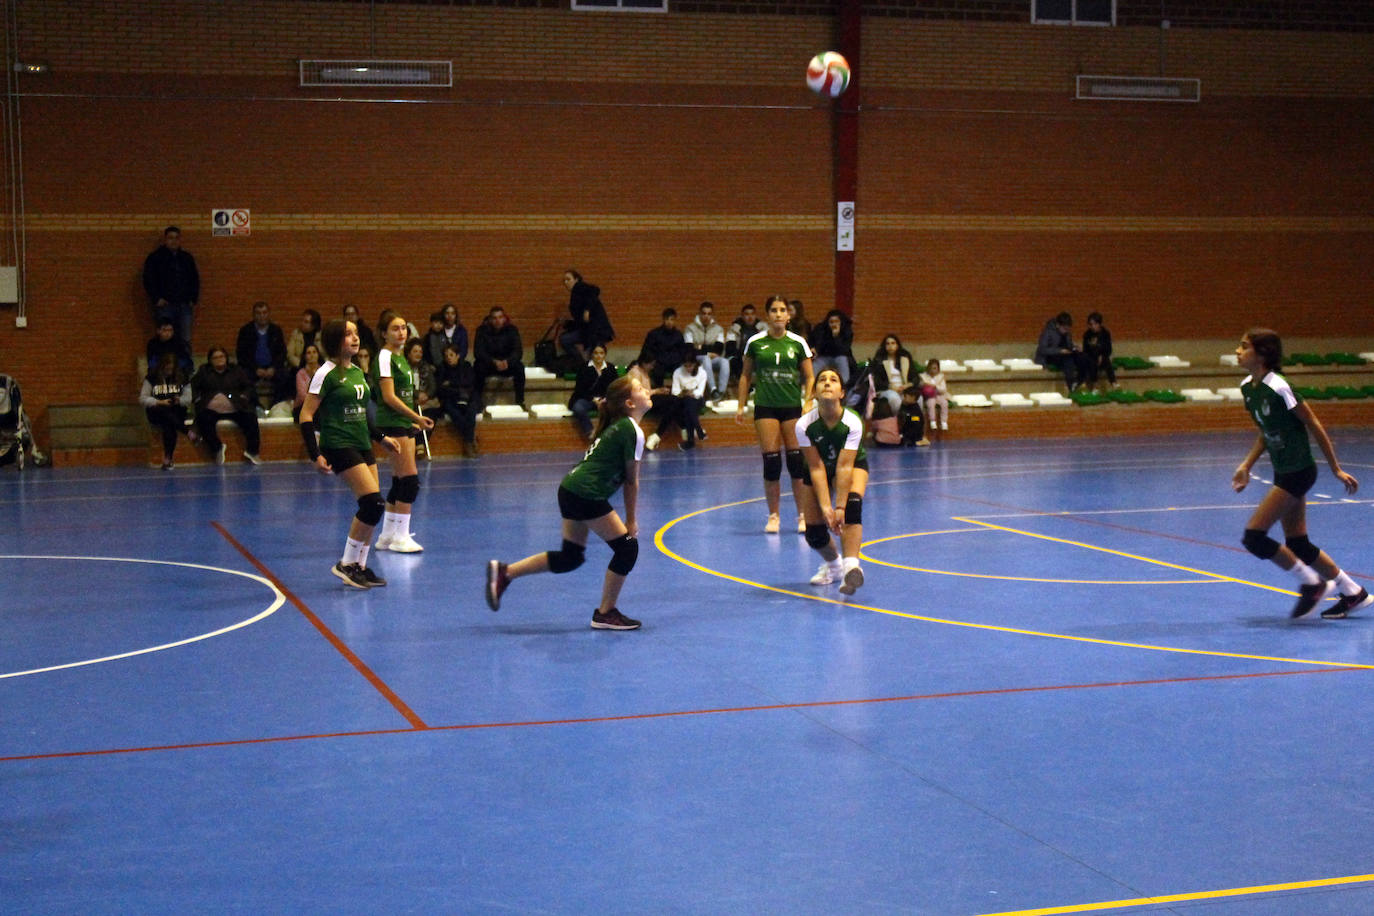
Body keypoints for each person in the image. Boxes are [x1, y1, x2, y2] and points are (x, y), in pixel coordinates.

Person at [485, 374, 651, 631]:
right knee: (627, 548)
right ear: (630, 403)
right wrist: (631, 520)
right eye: (640, 388)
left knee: (570, 557)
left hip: (570, 489)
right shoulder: (631, 429)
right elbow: (632, 481)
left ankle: (505, 573)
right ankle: (605, 613)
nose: (647, 390)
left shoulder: (619, 425)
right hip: (585, 493)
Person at [1231, 328, 1371, 619]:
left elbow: (1314, 424)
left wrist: (1335, 468)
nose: (1237, 351)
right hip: (1284, 471)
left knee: (1254, 536)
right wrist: (1246, 465)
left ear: (1262, 353)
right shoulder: (1248, 388)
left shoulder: (1280, 386)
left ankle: (1311, 583)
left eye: (1244, 347)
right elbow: (1266, 434)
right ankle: (1354, 593)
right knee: (1298, 544)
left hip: (1299, 471)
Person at [299, 318, 400, 589]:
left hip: (362, 443)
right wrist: (315, 453)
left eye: (356, 333)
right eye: (348, 335)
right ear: (334, 341)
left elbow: (363, 414)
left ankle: (360, 566)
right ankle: (346, 563)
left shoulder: (356, 372)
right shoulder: (326, 373)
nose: (355, 338)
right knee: (373, 503)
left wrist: (381, 438)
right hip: (339, 444)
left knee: (373, 508)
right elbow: (306, 414)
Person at [735, 294, 815, 534]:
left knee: (795, 463)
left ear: (788, 315)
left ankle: (803, 515)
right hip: (765, 406)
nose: (778, 314)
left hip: (791, 407)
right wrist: (741, 405)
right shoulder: (756, 342)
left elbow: (810, 376)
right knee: (771, 462)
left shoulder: (798, 342)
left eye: (782, 310)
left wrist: (809, 401)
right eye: (774, 310)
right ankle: (774, 516)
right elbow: (745, 376)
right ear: (767, 315)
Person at [796, 367, 869, 595]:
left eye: (833, 380)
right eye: (822, 380)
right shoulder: (804, 425)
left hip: (851, 465)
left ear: (842, 393)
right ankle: (835, 566)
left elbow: (845, 466)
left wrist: (840, 506)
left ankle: (850, 568)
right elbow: (816, 467)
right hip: (819, 469)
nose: (827, 383)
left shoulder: (852, 422)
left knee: (852, 506)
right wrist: (827, 507)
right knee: (815, 533)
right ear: (814, 392)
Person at [372, 313, 436, 553]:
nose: (401, 332)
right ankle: (400, 537)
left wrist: (413, 420)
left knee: (400, 480)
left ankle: (387, 535)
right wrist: (415, 416)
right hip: (392, 422)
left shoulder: (401, 358)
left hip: (403, 422)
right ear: (384, 333)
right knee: (410, 480)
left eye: (403, 328)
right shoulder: (385, 356)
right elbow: (388, 396)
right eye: (395, 329)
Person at [190, 345, 261, 465]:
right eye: (215, 357)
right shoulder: (203, 371)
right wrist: (197, 399)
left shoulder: (236, 370)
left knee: (251, 419)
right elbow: (193, 387)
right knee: (203, 421)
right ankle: (217, 448)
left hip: (235, 407)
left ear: (226, 357)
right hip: (211, 409)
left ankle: (252, 451)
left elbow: (248, 386)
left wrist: (244, 396)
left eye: (221, 356)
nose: (219, 359)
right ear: (210, 360)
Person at [142, 226, 199, 348]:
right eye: (170, 238)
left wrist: (193, 298)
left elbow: (195, 279)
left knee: (185, 338)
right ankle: (166, 365)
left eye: (176, 238)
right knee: (165, 338)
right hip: (165, 305)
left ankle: (185, 366)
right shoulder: (155, 258)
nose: (174, 241)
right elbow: (148, 279)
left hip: (184, 305)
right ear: (165, 240)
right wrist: (156, 298)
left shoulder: (186, 258)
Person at [139, 351, 194, 470]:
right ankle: (187, 432)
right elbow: (143, 398)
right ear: (161, 366)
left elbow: (188, 398)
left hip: (176, 411)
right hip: (157, 411)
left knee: (169, 424)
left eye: (171, 369)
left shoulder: (182, 378)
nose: (169, 371)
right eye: (167, 369)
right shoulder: (151, 378)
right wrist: (159, 402)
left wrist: (179, 400)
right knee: (164, 413)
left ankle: (168, 459)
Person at [235, 300, 291, 410]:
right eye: (258, 313)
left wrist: (273, 368)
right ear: (254, 315)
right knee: (243, 377)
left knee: (285, 376)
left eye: (264, 313)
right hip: (252, 368)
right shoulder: (246, 331)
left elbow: (282, 352)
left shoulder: (276, 330)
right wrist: (255, 369)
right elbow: (241, 354)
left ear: (268, 314)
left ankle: (276, 405)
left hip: (272, 367)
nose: (262, 316)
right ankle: (256, 406)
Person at [473, 306, 526, 407]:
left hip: (507, 364)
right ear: (490, 320)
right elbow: (478, 352)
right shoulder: (482, 331)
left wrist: (508, 362)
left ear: (504, 318)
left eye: (500, 317)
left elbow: (518, 351)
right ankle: (477, 401)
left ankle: (520, 401)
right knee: (478, 367)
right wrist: (493, 361)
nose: (497, 321)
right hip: (490, 364)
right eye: (494, 318)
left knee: (519, 367)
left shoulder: (512, 330)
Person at [560, 270, 614, 364]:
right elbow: (580, 321)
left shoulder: (579, 287)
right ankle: (583, 364)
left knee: (566, 340)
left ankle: (582, 363)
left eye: (568, 279)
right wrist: (567, 323)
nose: (566, 283)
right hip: (588, 331)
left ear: (576, 279)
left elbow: (595, 290)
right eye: (564, 280)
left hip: (595, 331)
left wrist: (587, 310)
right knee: (566, 339)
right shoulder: (575, 295)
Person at [436, 343, 480, 457]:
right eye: (446, 356)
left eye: (451, 355)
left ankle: (468, 441)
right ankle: (470, 440)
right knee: (456, 415)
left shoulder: (466, 366)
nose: (449, 358)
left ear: (458, 355)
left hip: (468, 398)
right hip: (450, 399)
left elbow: (470, 383)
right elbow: (440, 389)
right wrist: (457, 389)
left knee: (471, 413)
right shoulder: (442, 369)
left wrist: (451, 383)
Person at [568, 343, 618, 440]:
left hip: (604, 399)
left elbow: (614, 387)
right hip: (586, 398)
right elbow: (579, 389)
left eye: (601, 353)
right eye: (596, 353)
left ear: (605, 354)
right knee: (578, 408)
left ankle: (608, 433)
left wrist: (604, 399)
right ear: (592, 355)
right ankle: (590, 431)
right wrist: (593, 399)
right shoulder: (584, 368)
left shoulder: (610, 368)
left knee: (615, 409)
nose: (599, 356)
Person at [683, 301, 729, 401]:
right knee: (706, 358)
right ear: (699, 314)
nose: (706, 316)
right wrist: (707, 351)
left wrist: (700, 347)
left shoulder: (718, 329)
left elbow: (719, 349)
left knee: (725, 361)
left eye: (709, 314)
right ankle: (713, 389)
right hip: (696, 359)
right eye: (704, 313)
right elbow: (689, 349)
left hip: (712, 359)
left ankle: (721, 392)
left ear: (712, 315)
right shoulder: (690, 328)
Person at [628, 353, 673, 450]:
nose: (652, 367)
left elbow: (647, 390)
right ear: (644, 363)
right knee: (673, 402)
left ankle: (657, 435)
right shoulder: (635, 372)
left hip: (647, 398)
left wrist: (658, 391)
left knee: (673, 404)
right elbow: (637, 391)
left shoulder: (644, 372)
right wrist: (657, 391)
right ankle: (659, 434)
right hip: (640, 402)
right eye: (651, 364)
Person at [1034, 311, 1086, 392]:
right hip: (1051, 357)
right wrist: (1059, 351)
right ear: (1058, 325)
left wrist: (1075, 347)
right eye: (1064, 329)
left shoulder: (1067, 334)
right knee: (1068, 361)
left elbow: (1069, 345)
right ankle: (1071, 385)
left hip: (1064, 354)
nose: (1066, 331)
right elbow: (1042, 349)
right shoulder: (1048, 332)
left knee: (1081, 357)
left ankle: (1080, 381)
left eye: (1068, 329)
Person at [670, 345, 709, 450]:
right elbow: (675, 391)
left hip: (697, 400)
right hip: (682, 399)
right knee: (687, 405)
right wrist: (685, 392)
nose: (688, 368)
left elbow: (700, 391)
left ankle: (691, 441)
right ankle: (699, 431)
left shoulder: (702, 373)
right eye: (686, 366)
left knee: (689, 405)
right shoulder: (678, 372)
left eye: (690, 366)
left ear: (695, 363)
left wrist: (691, 393)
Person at [640, 307, 688, 388]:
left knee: (680, 370)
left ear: (675, 320)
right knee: (657, 371)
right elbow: (647, 349)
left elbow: (682, 351)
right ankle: (658, 391)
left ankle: (677, 391)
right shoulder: (654, 334)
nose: (669, 322)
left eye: (672, 319)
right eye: (667, 319)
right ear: (663, 320)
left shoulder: (678, 335)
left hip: (674, 362)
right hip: (659, 362)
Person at [809, 309, 854, 387]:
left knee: (845, 377)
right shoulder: (821, 330)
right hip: (823, 356)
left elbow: (844, 349)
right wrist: (814, 349)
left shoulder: (846, 331)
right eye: (831, 322)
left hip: (840, 356)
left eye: (836, 322)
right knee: (813, 373)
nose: (834, 324)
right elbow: (817, 344)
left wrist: (836, 337)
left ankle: (842, 388)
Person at [726, 303, 767, 381]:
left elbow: (767, 345)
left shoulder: (763, 328)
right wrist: (743, 355)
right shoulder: (734, 329)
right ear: (742, 316)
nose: (750, 317)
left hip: (757, 355)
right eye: (747, 314)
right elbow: (730, 348)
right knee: (734, 361)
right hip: (740, 357)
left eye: (752, 314)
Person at [1081, 311, 1117, 391]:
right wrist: (1094, 356)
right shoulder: (1087, 335)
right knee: (1091, 362)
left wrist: (1102, 355)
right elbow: (1085, 350)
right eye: (1091, 324)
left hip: (1102, 358)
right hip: (1091, 358)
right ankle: (1094, 385)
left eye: (1095, 324)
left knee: (1106, 361)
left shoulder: (1105, 334)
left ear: (1099, 324)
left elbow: (1108, 349)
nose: (1093, 326)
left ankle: (1113, 382)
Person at [293, 343, 323, 423]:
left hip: (320, 406)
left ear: (318, 354)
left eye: (314, 352)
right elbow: (302, 395)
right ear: (305, 356)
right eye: (309, 353)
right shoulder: (300, 373)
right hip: (302, 407)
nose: (312, 355)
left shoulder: (324, 372)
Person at [919, 358, 950, 431]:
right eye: (931, 368)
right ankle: (932, 421)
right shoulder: (923, 376)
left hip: (939, 395)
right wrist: (923, 385)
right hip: (930, 396)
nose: (933, 370)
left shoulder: (941, 377)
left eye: (935, 368)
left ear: (938, 369)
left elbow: (943, 389)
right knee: (931, 403)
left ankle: (944, 422)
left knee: (944, 403)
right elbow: (920, 386)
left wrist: (935, 387)